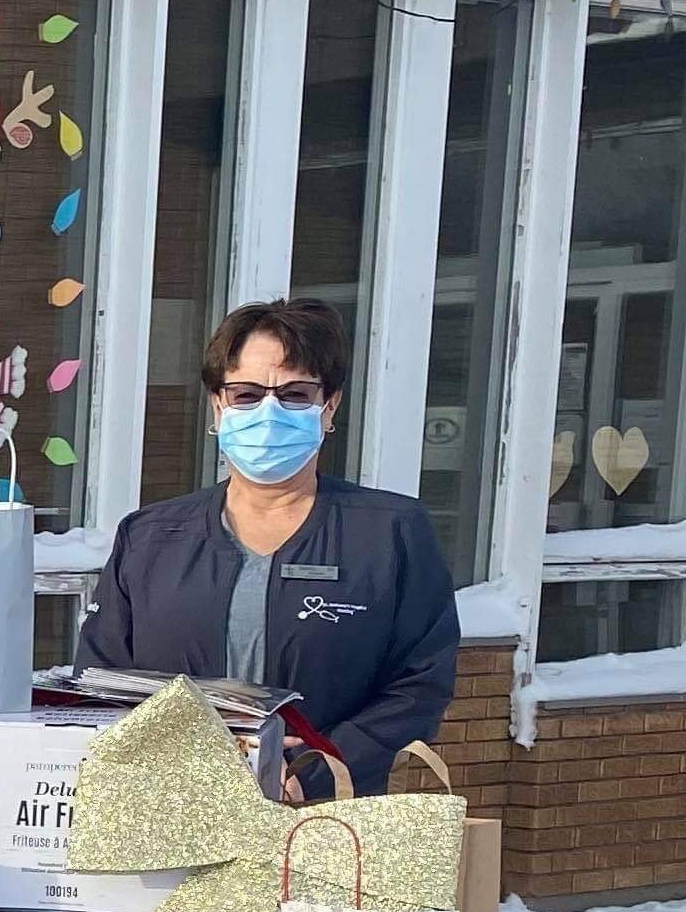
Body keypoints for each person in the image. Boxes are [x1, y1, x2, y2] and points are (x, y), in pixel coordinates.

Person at [76, 295, 458, 795]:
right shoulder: (150, 538)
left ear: (330, 406)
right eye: (247, 394)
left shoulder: (389, 533)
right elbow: (101, 680)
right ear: (218, 404)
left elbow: (418, 685)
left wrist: (320, 768)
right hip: (169, 812)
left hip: (326, 823)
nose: (269, 412)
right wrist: (177, 767)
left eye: (296, 394)